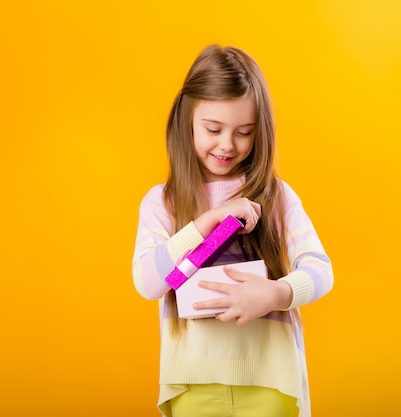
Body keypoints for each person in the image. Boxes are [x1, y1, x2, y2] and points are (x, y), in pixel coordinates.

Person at [132, 44, 333, 417]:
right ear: (186, 121)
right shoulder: (163, 203)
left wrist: (276, 294)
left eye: (244, 132)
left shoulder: (276, 198)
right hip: (192, 383)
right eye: (213, 129)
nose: (227, 144)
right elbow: (150, 282)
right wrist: (210, 220)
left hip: (270, 380)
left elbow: (321, 270)